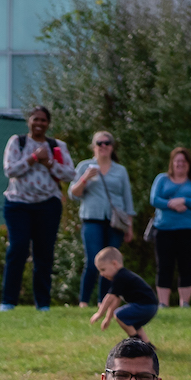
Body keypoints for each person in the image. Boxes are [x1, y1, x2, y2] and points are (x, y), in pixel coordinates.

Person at [0, 105, 72, 312]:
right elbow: (10, 170)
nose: (39, 123)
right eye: (35, 119)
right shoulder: (17, 142)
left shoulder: (57, 146)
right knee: (18, 248)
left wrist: (48, 162)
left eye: (43, 120)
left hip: (48, 205)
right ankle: (8, 302)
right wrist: (32, 159)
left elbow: (69, 174)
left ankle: (43, 304)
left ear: (48, 124)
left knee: (44, 254)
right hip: (18, 203)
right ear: (29, 121)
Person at [70, 131, 133, 307]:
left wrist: (130, 227)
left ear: (112, 147)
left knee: (111, 264)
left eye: (107, 143)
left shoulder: (120, 170)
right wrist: (85, 179)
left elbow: (127, 200)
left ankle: (103, 302)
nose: (103, 146)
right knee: (93, 261)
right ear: (94, 146)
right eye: (100, 143)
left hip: (115, 222)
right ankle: (83, 302)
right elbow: (73, 194)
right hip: (92, 220)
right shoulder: (85, 166)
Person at [148, 146, 191, 308]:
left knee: (186, 266)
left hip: (190, 230)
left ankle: (184, 303)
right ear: (172, 163)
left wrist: (184, 201)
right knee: (164, 266)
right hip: (164, 230)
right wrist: (170, 204)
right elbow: (154, 199)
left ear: (189, 164)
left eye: (184, 161)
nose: (180, 164)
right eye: (177, 161)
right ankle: (163, 303)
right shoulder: (162, 179)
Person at [88, 247, 157, 335]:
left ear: (114, 264)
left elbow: (109, 298)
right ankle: (147, 345)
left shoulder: (120, 277)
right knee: (134, 324)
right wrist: (108, 318)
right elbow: (116, 300)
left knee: (120, 315)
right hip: (150, 306)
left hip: (145, 306)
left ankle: (134, 342)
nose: (102, 274)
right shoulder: (122, 276)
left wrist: (99, 313)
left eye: (103, 270)